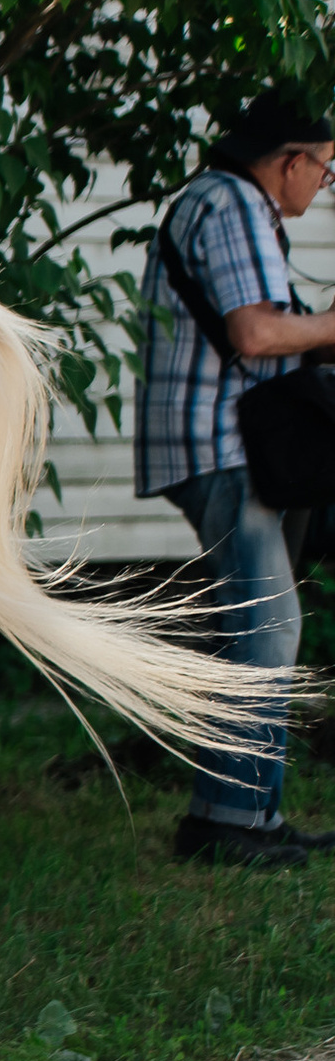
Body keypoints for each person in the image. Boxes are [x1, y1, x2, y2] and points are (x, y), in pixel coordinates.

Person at [135, 90, 335, 869]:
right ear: (288, 160)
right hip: (218, 443)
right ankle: (229, 825)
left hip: (222, 441)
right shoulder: (233, 203)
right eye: (322, 168)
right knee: (267, 624)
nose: (322, 185)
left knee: (251, 625)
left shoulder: (230, 202)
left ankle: (249, 812)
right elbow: (256, 334)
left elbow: (272, 333)